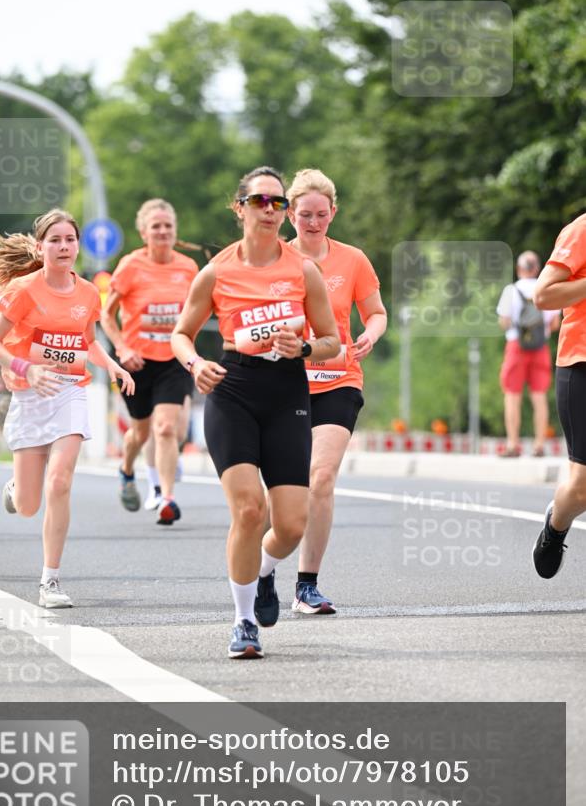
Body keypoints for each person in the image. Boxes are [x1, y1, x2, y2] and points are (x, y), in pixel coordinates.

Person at [171, 166, 339, 659]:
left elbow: (332, 340)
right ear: (239, 207)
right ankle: (244, 621)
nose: (271, 210)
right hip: (233, 389)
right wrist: (195, 363)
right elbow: (181, 333)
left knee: (290, 525)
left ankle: (264, 573)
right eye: (260, 201)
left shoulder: (302, 269)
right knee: (249, 509)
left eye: (278, 203)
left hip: (286, 392)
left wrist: (304, 347)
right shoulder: (218, 271)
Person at [0, 209, 133, 608]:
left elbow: (87, 342)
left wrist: (114, 364)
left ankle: (50, 580)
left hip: (70, 390)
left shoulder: (86, 292)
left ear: (77, 245)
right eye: (55, 240)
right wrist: (25, 368)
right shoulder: (23, 290)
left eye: (70, 239)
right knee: (29, 505)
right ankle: (16, 488)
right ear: (41, 246)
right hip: (30, 394)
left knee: (61, 481)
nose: (64, 247)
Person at [256, 168, 386, 619]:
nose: (313, 223)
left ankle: (307, 584)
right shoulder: (273, 259)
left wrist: (371, 334)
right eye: (304, 214)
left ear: (334, 213)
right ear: (290, 213)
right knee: (284, 493)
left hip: (339, 378)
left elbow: (376, 312)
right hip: (284, 383)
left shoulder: (352, 260)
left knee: (322, 478)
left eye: (321, 215)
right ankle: (265, 570)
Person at [101, 199, 198, 525]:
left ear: (175, 230)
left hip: (173, 358)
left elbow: (198, 311)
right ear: (144, 232)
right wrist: (122, 348)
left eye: (168, 225)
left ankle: (166, 497)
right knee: (140, 433)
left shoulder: (188, 268)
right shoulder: (131, 266)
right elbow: (106, 314)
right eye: (155, 226)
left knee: (167, 427)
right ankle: (127, 469)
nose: (162, 231)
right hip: (137, 362)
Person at [532, 213, 586, 578]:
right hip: (581, 362)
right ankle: (557, 525)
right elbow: (543, 294)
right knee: (581, 487)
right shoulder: (581, 230)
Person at [496, 251, 560, 457]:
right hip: (540, 347)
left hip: (516, 346)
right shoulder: (546, 289)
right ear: (538, 269)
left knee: (512, 395)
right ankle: (539, 445)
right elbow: (555, 323)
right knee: (539, 396)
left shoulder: (511, 290)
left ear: (518, 269)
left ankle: (513, 444)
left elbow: (504, 322)